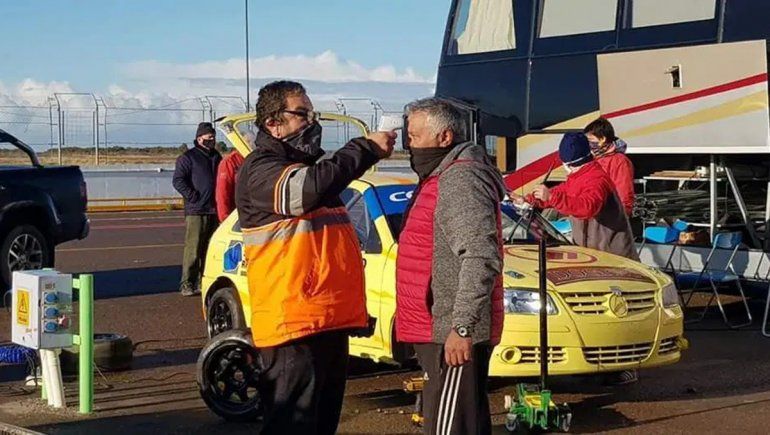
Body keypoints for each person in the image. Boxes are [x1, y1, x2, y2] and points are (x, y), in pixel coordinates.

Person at [235, 80, 394, 434]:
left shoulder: (311, 169)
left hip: (326, 321)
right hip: (293, 325)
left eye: (312, 113)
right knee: (292, 426)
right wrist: (365, 149)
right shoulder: (261, 169)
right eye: (302, 114)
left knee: (321, 425)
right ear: (274, 123)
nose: (312, 122)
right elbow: (304, 191)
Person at [395, 98, 505, 435]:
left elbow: (479, 255)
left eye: (413, 137)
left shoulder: (458, 179)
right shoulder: (440, 174)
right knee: (460, 422)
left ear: (444, 138)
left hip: (449, 332)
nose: (408, 144)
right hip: (437, 327)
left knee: (449, 427)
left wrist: (462, 328)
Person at [513, 132, 639, 386]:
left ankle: (623, 366)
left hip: (612, 255)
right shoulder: (581, 174)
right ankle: (596, 361)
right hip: (591, 254)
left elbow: (586, 206)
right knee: (593, 312)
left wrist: (551, 198)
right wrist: (527, 200)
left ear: (567, 161)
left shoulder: (595, 178)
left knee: (613, 313)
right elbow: (562, 192)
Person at [172, 122, 222, 296]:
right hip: (196, 211)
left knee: (209, 249)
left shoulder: (216, 156)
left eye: (214, 138)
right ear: (199, 138)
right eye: (209, 138)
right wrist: (192, 196)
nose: (212, 140)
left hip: (214, 209)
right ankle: (187, 283)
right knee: (193, 248)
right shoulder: (188, 157)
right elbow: (178, 180)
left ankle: (204, 281)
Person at [584, 117, 635, 216]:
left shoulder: (619, 161)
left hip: (610, 217)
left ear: (602, 139)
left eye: (590, 140)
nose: (588, 144)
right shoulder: (592, 159)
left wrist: (621, 215)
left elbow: (624, 193)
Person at [215, 148, 245, 222]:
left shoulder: (259, 159)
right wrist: (225, 218)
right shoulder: (229, 162)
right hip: (236, 215)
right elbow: (222, 192)